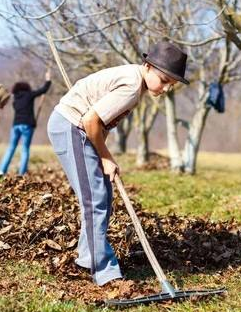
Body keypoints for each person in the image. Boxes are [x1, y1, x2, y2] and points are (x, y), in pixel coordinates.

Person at [46, 41, 189, 286]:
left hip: (78, 128)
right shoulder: (131, 87)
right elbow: (90, 120)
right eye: (164, 80)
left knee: (101, 192)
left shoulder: (133, 80)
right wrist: (105, 157)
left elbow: (99, 123)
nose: (166, 89)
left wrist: (102, 152)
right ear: (148, 66)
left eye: (171, 85)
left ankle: (87, 256)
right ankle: (105, 272)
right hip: (71, 127)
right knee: (94, 198)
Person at [0, 70, 52, 177]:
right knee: (25, 149)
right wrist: (48, 80)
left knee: (11, 147)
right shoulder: (29, 95)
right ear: (26, 88)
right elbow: (43, 90)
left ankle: (1, 170)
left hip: (16, 125)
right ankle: (22, 173)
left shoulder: (15, 100)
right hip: (27, 125)